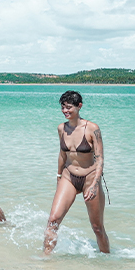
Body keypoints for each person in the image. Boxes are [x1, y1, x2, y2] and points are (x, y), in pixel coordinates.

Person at [44, 90, 110, 255]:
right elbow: (62, 154)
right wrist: (59, 176)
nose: (65, 111)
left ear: (79, 106)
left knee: (97, 227)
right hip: (69, 177)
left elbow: (100, 158)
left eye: (69, 107)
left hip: (90, 178)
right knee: (52, 221)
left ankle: (107, 261)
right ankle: (45, 259)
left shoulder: (92, 128)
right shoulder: (61, 128)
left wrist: (95, 184)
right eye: (63, 108)